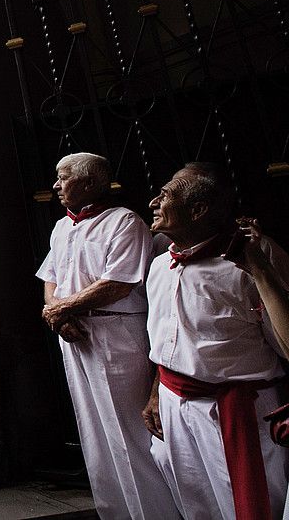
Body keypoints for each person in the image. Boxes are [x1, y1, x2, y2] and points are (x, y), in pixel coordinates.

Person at [142, 162, 289, 520]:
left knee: (246, 506)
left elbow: (284, 344)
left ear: (198, 209)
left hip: (236, 410)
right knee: (196, 504)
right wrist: (155, 394)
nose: (153, 203)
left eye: (166, 195)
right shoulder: (161, 265)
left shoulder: (254, 262)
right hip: (175, 405)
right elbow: (167, 340)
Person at [36, 153, 176, 519]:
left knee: (130, 431)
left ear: (90, 183)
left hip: (116, 333)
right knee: (94, 433)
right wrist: (57, 313)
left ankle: (155, 512)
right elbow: (50, 279)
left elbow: (118, 282)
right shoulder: (61, 227)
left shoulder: (124, 222)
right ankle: (115, 512)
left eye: (62, 177)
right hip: (75, 335)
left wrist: (63, 309)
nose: (55, 185)